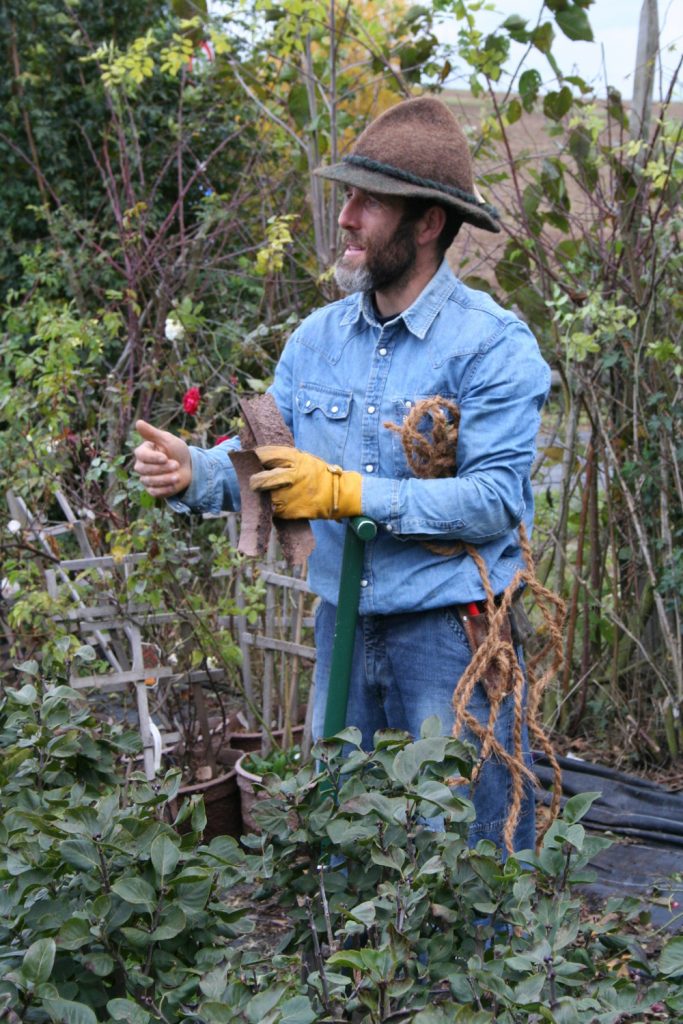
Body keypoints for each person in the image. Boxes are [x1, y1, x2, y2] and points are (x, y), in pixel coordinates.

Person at [134, 96, 551, 853]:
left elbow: (494, 500)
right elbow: (274, 462)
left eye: (368, 200)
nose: (346, 216)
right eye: (347, 196)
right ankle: (354, 979)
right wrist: (191, 470)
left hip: (450, 636)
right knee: (344, 841)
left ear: (427, 223)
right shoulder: (318, 337)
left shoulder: (492, 348)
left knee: (465, 851)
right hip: (344, 629)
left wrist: (350, 493)